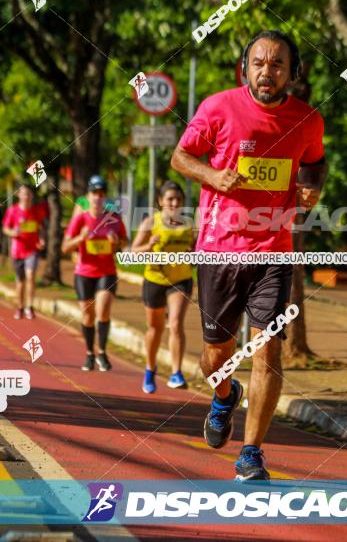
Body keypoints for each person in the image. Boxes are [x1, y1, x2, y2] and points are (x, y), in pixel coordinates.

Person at [171, 29, 327, 482]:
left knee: (267, 349)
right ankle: (223, 395)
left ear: (292, 73)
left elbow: (315, 161)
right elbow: (181, 157)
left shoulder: (308, 119)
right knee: (215, 356)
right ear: (246, 67)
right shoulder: (218, 107)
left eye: (277, 64)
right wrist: (213, 175)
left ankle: (252, 453)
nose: (267, 71)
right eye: (259, 62)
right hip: (218, 250)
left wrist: (312, 188)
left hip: (273, 251)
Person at [130, 181, 194, 394]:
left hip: (181, 279)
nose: (174, 203)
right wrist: (149, 245)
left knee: (175, 324)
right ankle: (150, 369)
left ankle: (176, 373)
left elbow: (196, 249)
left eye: (178, 199)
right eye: (170, 199)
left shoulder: (189, 224)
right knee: (155, 329)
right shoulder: (151, 222)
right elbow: (133, 252)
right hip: (155, 280)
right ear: (160, 201)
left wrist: (194, 254)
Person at [63, 175, 128, 371]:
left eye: (101, 194)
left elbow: (125, 242)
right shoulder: (80, 219)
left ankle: (102, 352)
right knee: (88, 316)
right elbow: (64, 248)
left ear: (105, 197)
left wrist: (117, 241)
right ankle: (90, 353)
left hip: (106, 272)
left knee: (103, 311)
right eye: (94, 194)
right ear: (88, 196)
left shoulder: (114, 219)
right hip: (84, 273)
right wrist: (79, 239)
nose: (97, 198)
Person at [3, 183, 46, 320]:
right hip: (17, 251)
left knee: (31, 275)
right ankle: (20, 306)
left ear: (32, 196)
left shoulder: (37, 211)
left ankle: (29, 307)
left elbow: (41, 228)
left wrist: (42, 239)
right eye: (23, 194)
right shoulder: (13, 211)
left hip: (32, 250)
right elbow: (5, 228)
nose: (26, 197)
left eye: (28, 194)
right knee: (20, 281)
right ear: (18, 195)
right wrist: (13, 232)